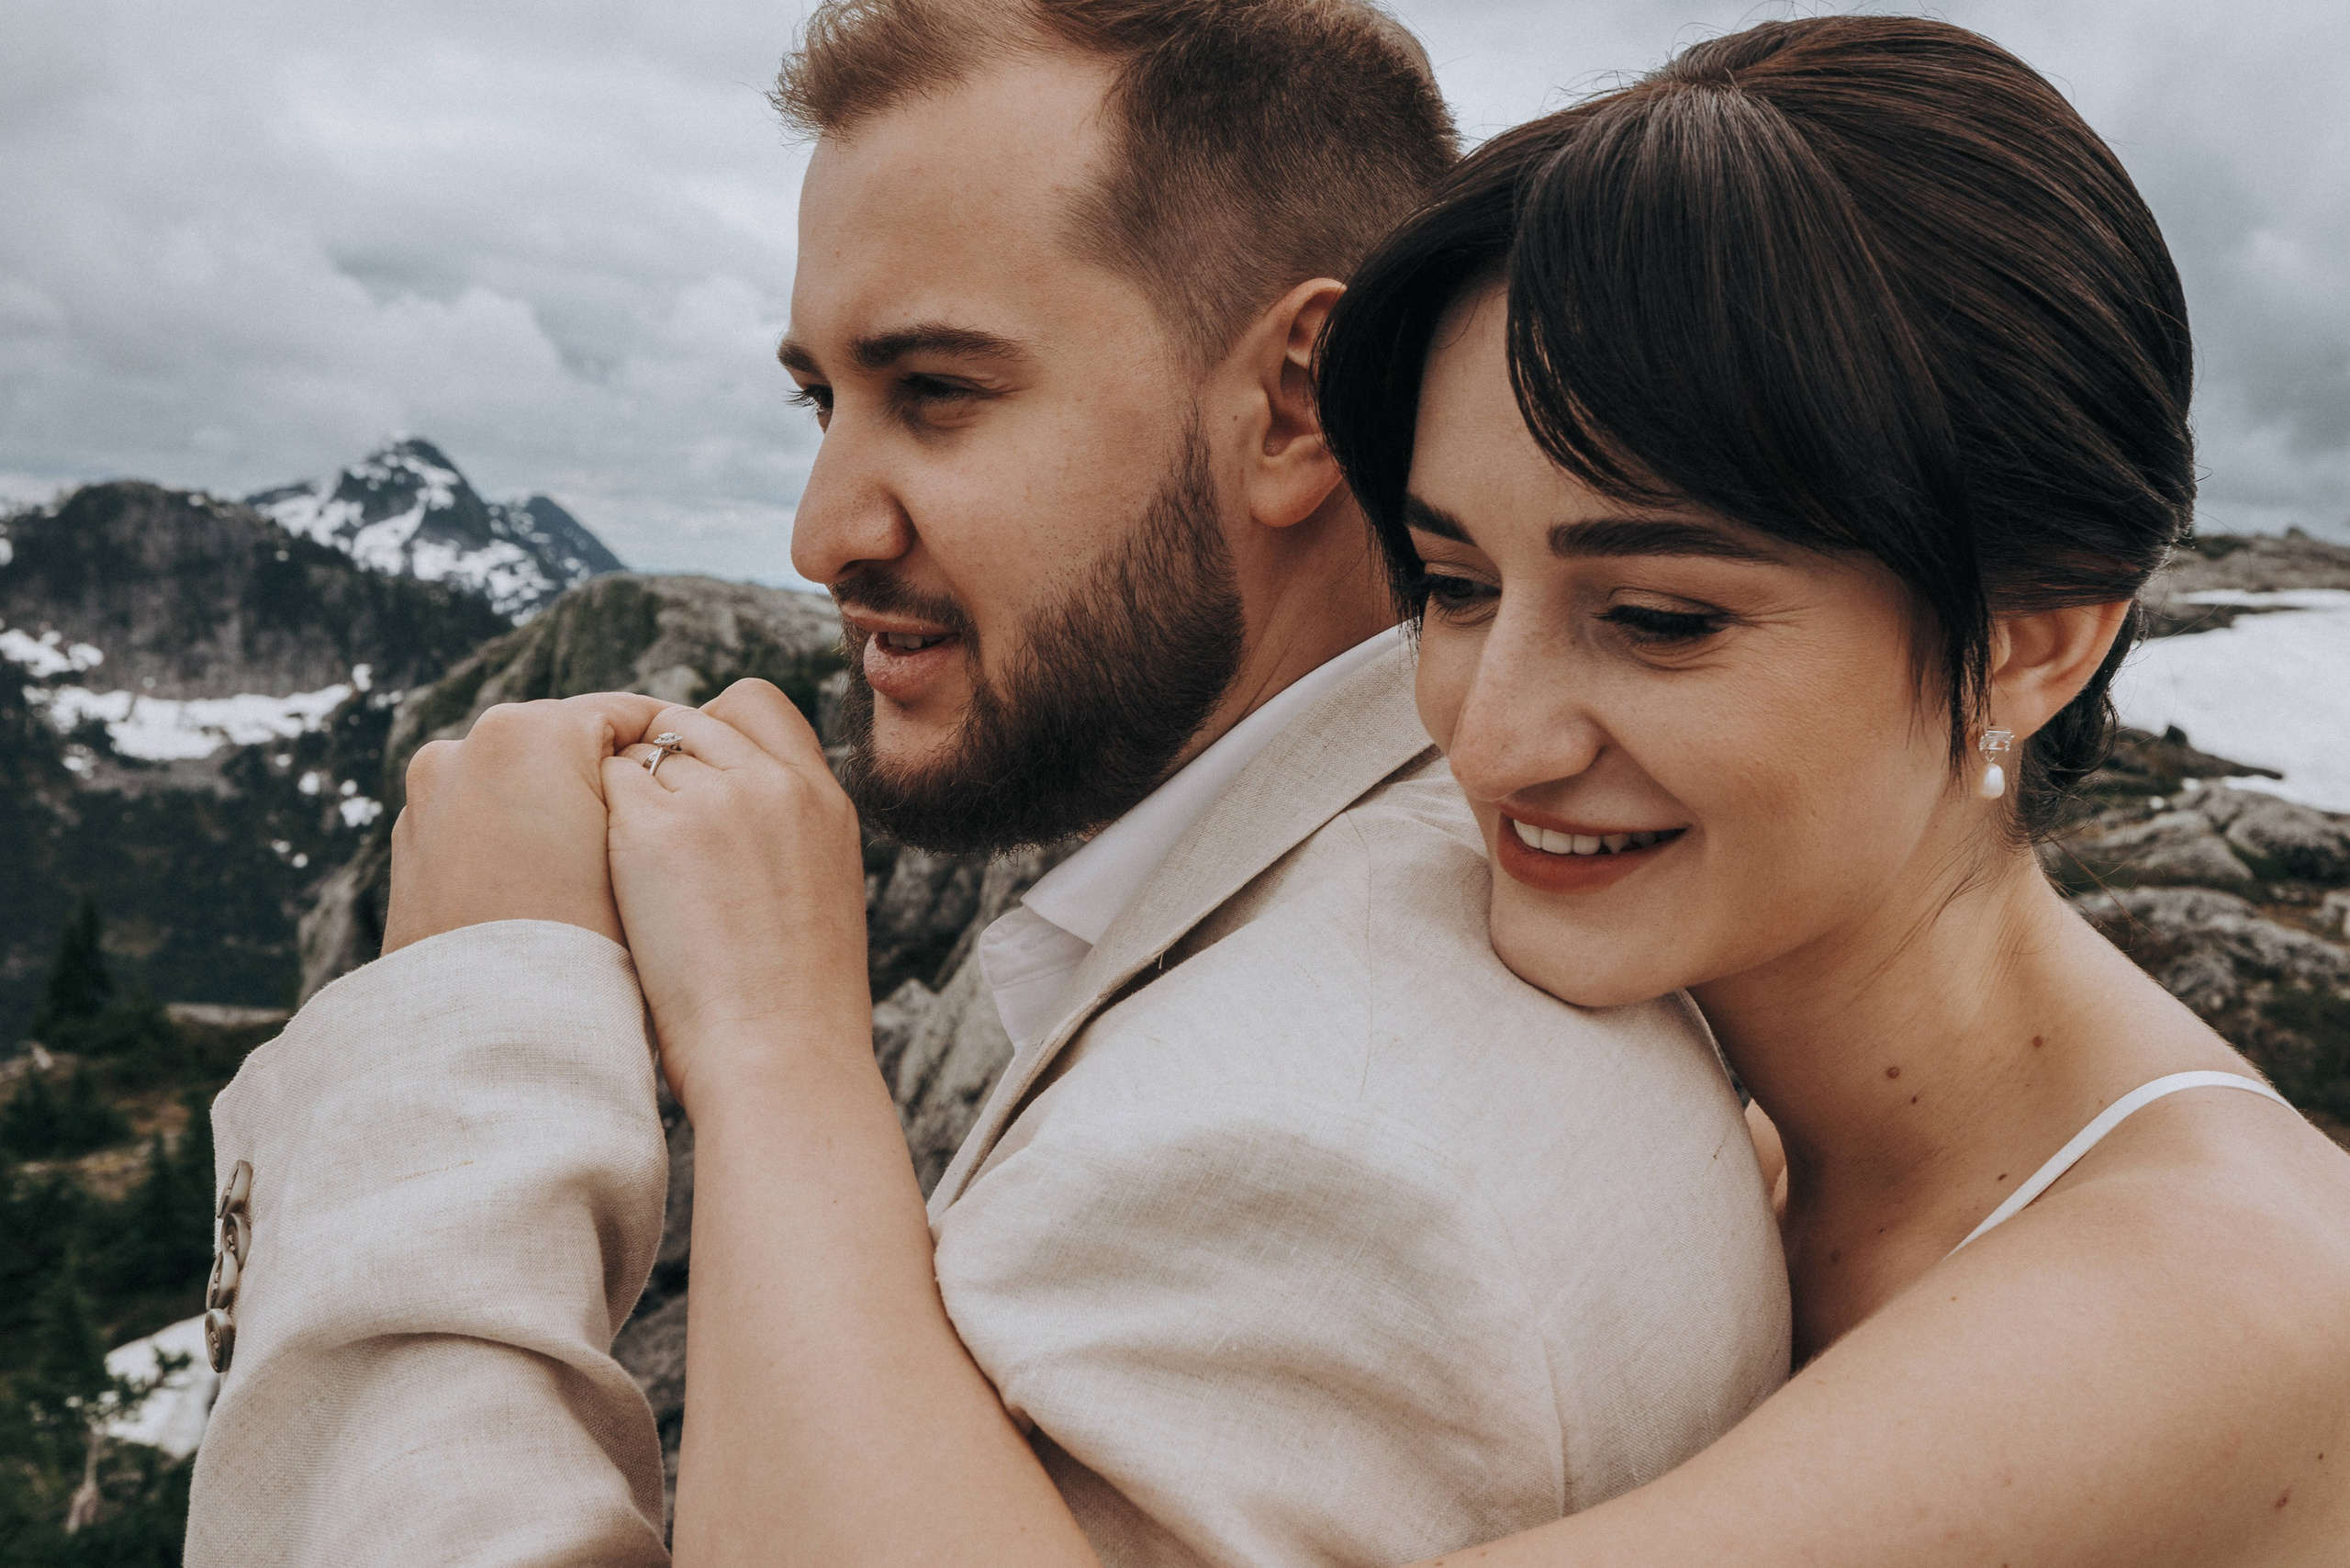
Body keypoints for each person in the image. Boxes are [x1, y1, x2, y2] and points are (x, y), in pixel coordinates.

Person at [430, 14, 2346, 1566]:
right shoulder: (1773, 1124)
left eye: (1657, 617)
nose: (1494, 735)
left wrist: (775, 1044)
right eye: (1450, 584)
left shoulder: (2208, 1296)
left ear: (2030, 643)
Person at [183, 4, 1790, 1565]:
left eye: (938, 393)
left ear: (1299, 404)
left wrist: (467, 1038)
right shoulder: (1373, 952)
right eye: (822, 402)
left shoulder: (1324, 1152)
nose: (822, 533)